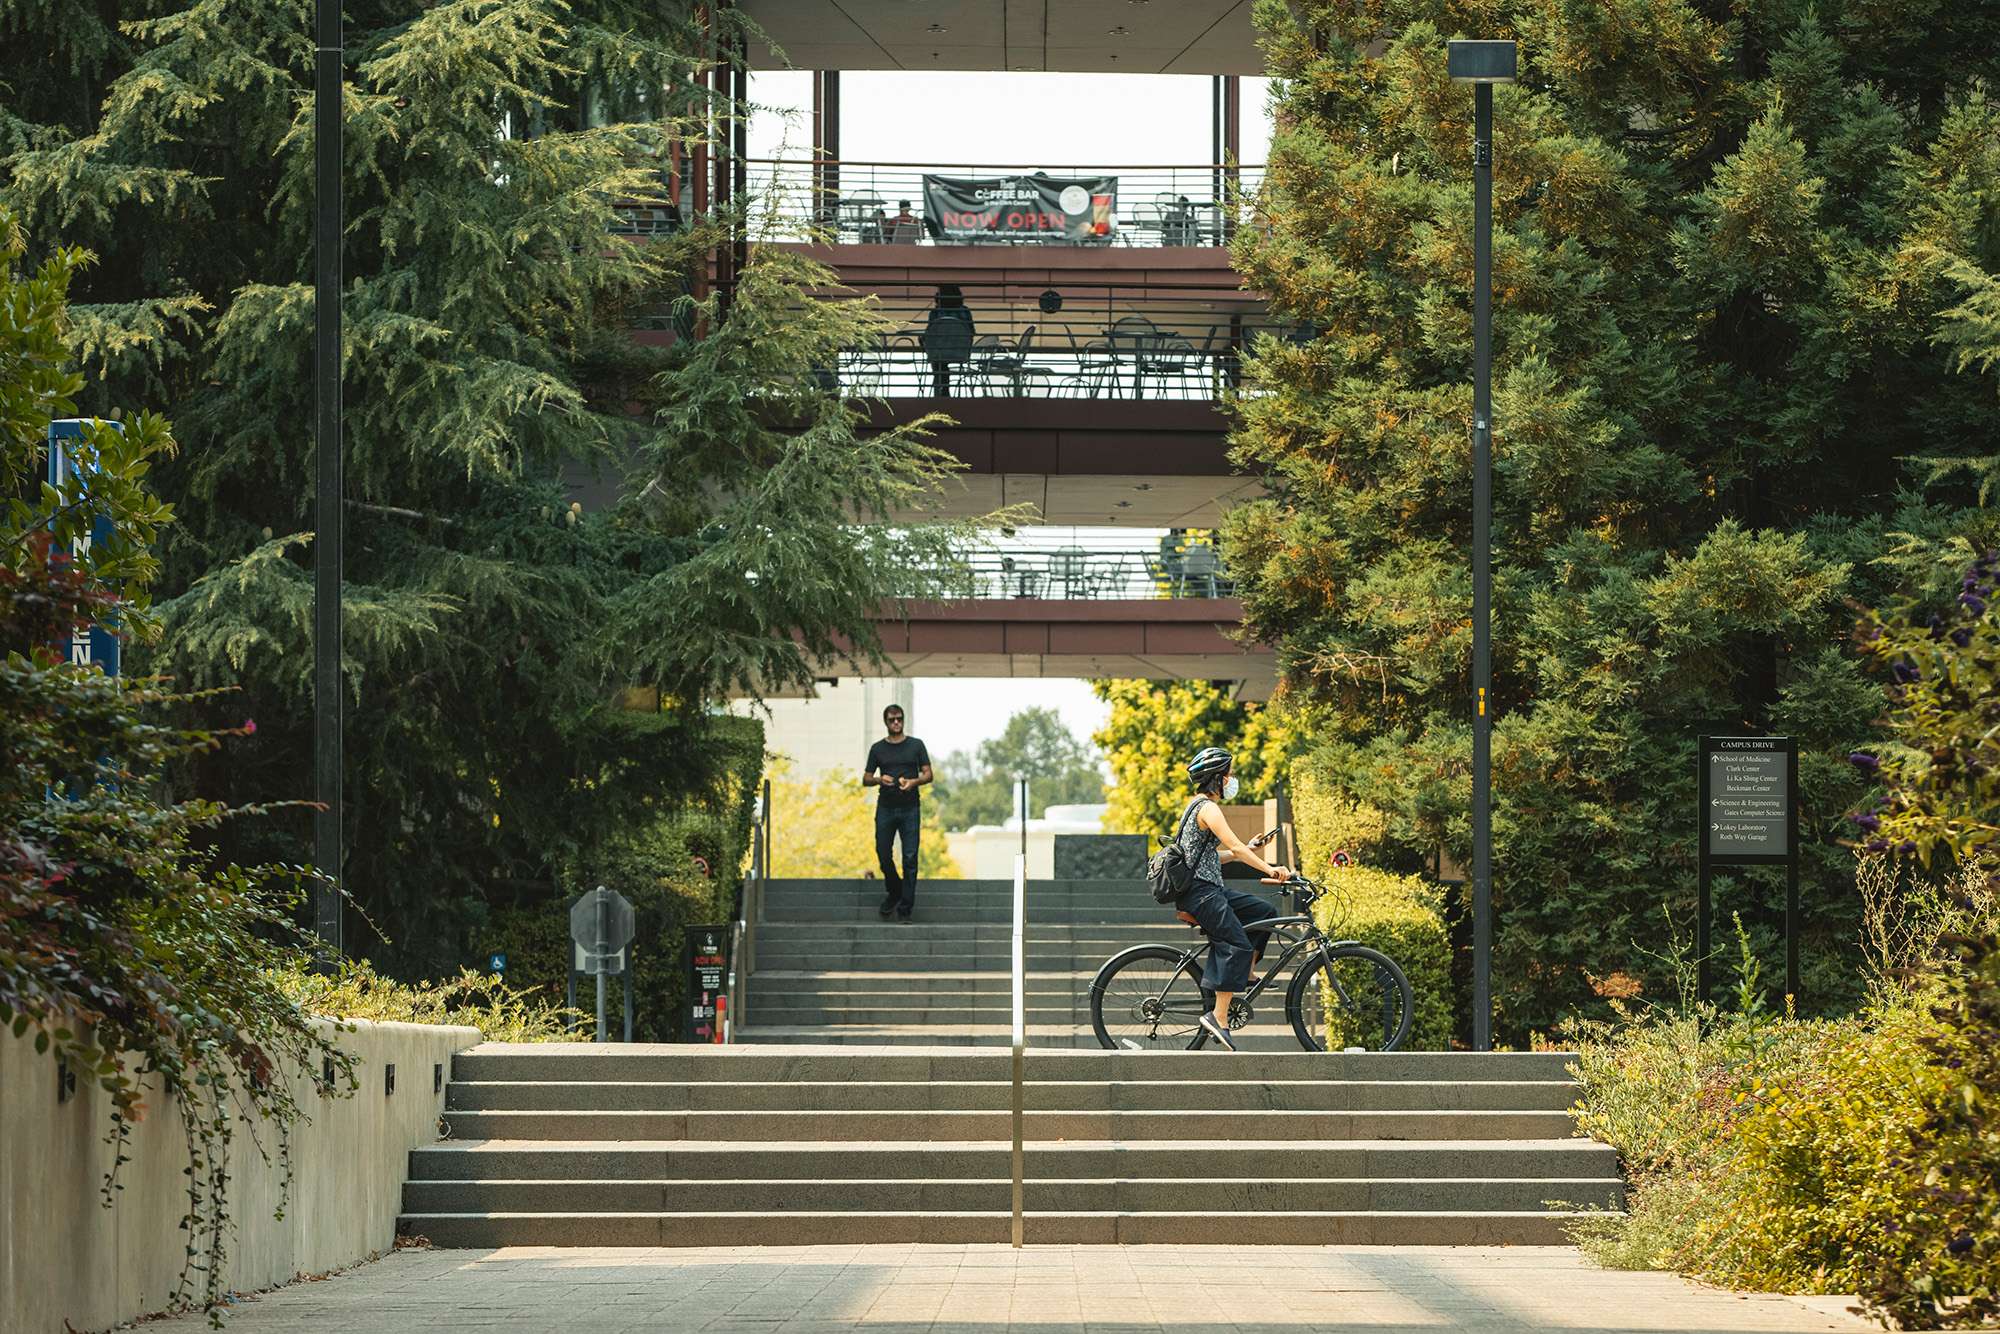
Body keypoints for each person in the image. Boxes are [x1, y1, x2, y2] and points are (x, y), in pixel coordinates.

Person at [1171, 746, 1290, 1051]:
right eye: (1229, 774)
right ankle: (1218, 1017)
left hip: (1209, 888)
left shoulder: (1199, 807)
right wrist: (1270, 868)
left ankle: (1244, 972)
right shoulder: (1208, 808)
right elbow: (1235, 849)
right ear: (1217, 778)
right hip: (1200, 893)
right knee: (1236, 942)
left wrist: (1252, 848)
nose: (1232, 779)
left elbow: (1214, 856)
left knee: (1265, 911)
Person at [862, 704, 932, 922]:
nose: (896, 723)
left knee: (910, 858)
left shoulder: (916, 745)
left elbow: (928, 774)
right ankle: (895, 890)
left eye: (899, 719)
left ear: (903, 720)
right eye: (892, 720)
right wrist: (878, 779)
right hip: (886, 807)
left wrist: (913, 782)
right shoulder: (877, 749)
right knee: (883, 853)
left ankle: (905, 909)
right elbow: (865, 778)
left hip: (910, 807)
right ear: (886, 722)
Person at [920, 284, 975, 398]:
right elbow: (971, 332)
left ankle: (941, 383)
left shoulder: (936, 313)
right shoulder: (964, 311)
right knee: (942, 356)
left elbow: (930, 335)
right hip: (960, 352)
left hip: (939, 353)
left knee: (938, 358)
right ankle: (943, 386)